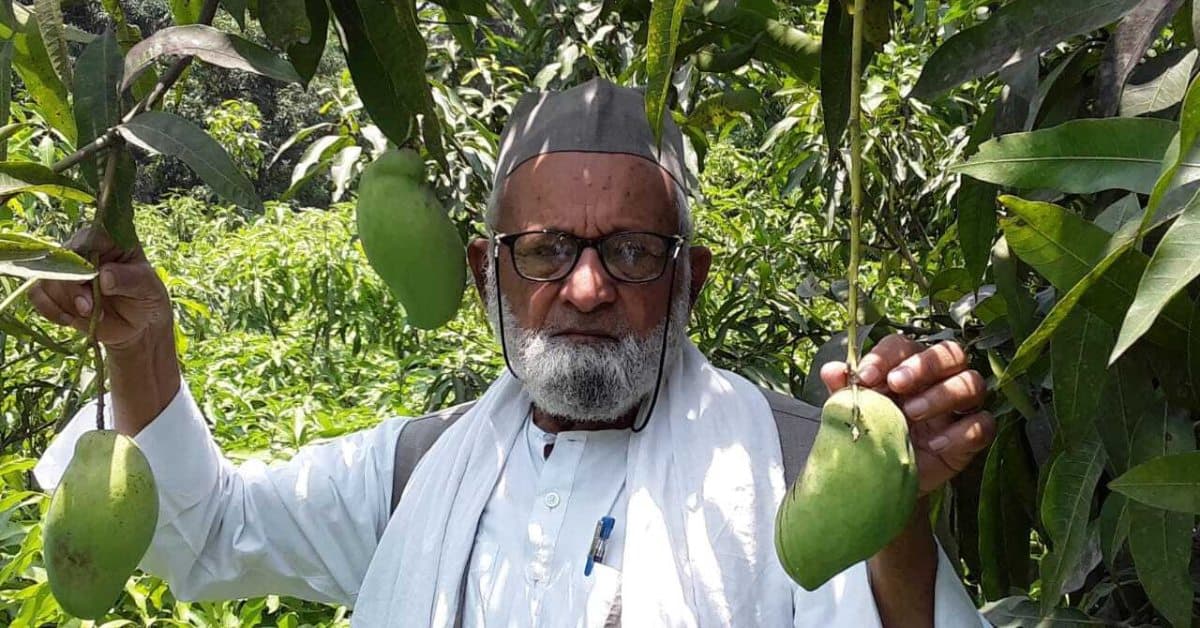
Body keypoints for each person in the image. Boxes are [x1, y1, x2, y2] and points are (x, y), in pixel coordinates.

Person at [32, 78, 994, 627]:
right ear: (488, 272)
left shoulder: (790, 474)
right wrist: (142, 345)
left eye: (629, 250)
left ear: (691, 278)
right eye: (544, 251)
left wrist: (897, 530)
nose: (584, 290)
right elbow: (212, 533)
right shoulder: (417, 470)